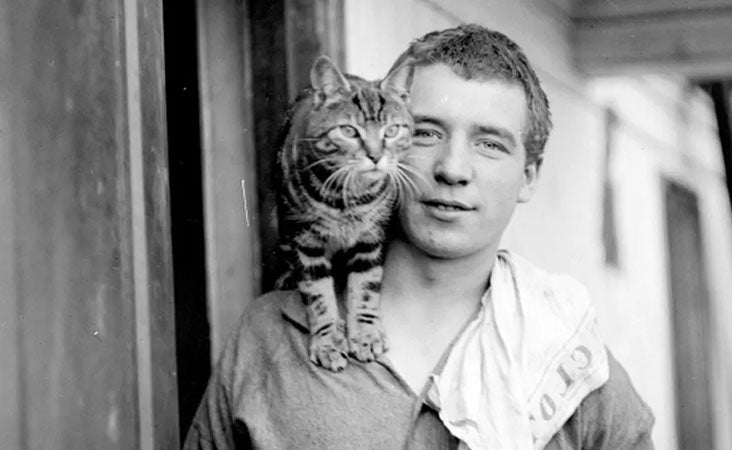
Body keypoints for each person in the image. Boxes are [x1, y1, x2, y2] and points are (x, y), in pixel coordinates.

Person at [184, 24, 654, 449]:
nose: (452, 169)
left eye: (490, 144)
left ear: (529, 176)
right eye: (427, 134)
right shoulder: (263, 342)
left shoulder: (578, 371)